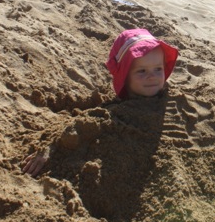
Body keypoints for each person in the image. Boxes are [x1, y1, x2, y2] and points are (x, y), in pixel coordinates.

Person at [21, 28, 179, 176]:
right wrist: (49, 148)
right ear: (125, 77)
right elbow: (81, 125)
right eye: (141, 71)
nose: (152, 76)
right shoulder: (115, 112)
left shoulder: (177, 100)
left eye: (158, 69)